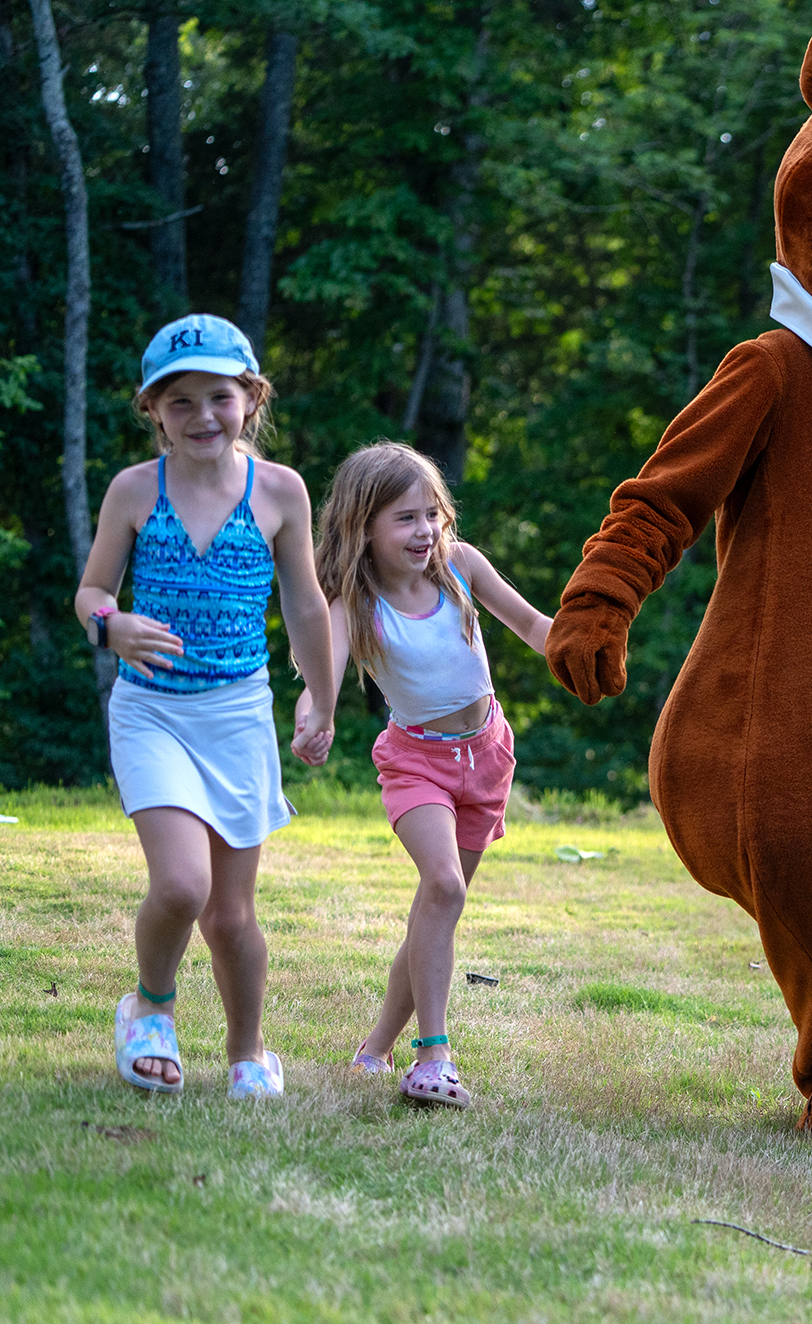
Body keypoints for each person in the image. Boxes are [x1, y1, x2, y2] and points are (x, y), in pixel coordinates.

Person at [74, 313, 337, 1099]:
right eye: (179, 401)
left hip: (237, 715)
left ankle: (249, 1053)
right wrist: (109, 624)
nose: (202, 416)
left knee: (231, 917)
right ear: (151, 408)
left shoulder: (281, 491)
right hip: (152, 712)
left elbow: (308, 605)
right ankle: (150, 1007)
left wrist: (320, 700)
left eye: (219, 397)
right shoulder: (133, 491)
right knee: (182, 887)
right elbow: (90, 591)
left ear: (251, 400)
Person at [297, 441, 551, 1108]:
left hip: (489, 755)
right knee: (442, 886)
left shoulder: (461, 567)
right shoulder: (354, 602)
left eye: (432, 514)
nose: (425, 531)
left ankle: (374, 1049)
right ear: (364, 528)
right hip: (417, 762)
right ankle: (432, 1057)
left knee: (437, 910)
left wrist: (587, 644)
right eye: (405, 519)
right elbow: (320, 676)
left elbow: (531, 624)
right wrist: (314, 717)